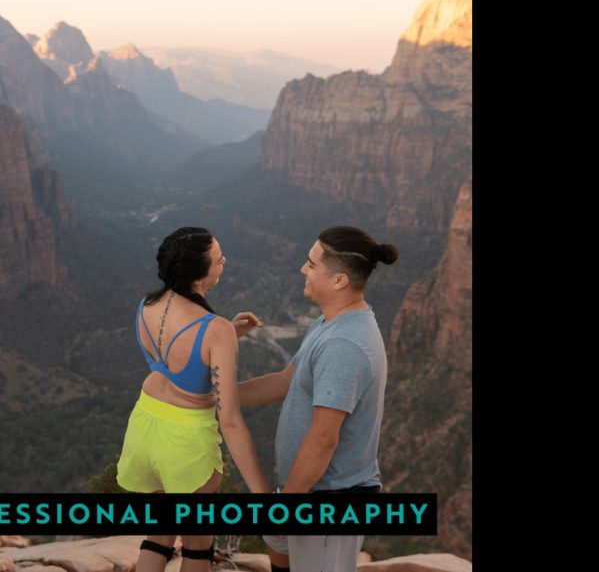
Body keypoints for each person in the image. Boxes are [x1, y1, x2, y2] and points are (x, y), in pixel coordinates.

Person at [240, 226, 399, 572]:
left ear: (339, 280)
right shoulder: (328, 323)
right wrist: (218, 395)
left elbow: (323, 440)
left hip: (329, 495)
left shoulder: (345, 345)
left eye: (311, 264)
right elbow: (285, 382)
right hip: (302, 488)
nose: (303, 268)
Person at [116, 226, 272, 572]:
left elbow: (173, 362)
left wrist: (228, 333)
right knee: (198, 549)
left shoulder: (147, 305)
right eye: (219, 258)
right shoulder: (214, 328)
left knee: (157, 536)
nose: (224, 261)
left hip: (145, 426)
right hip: (186, 443)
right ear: (200, 273)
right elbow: (229, 421)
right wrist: (262, 493)